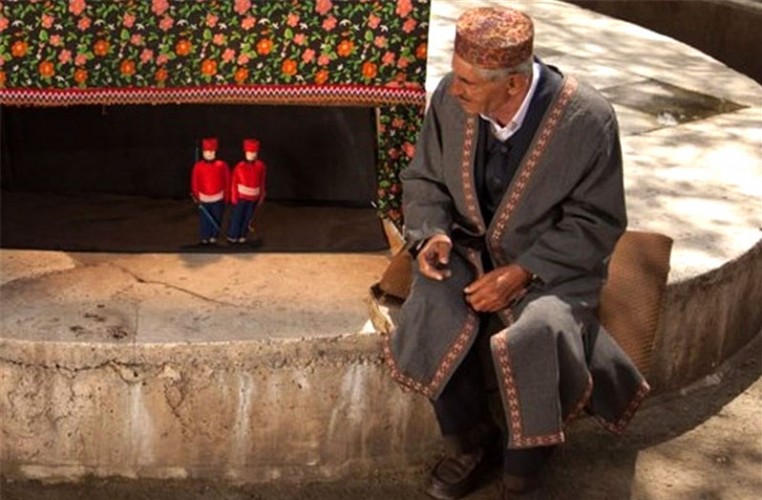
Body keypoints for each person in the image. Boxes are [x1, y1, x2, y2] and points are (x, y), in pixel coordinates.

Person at [383, 6, 650, 499]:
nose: (455, 89)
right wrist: (432, 234)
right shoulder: (449, 99)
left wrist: (524, 271)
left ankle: (523, 472)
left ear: (513, 84)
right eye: (455, 75)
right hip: (468, 250)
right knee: (436, 302)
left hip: (554, 266)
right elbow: (424, 179)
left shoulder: (588, 120)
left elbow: (598, 221)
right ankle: (470, 443)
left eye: (468, 81)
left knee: (538, 331)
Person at [227, 138, 266, 244]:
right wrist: (234, 197)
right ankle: (233, 235)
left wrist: (261, 194)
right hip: (241, 198)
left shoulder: (260, 166)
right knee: (237, 217)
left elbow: (262, 181)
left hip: (253, 198)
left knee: (248, 217)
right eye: (249, 152)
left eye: (254, 153)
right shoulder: (239, 167)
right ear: (245, 153)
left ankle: (242, 235)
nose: (252, 155)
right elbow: (234, 183)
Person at [190, 137, 229, 244]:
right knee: (204, 218)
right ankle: (205, 236)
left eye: (211, 151)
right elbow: (195, 182)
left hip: (218, 198)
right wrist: (196, 196)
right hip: (204, 198)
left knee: (217, 217)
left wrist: (227, 196)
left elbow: (226, 180)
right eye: (206, 152)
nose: (209, 154)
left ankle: (214, 236)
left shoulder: (222, 165)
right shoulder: (198, 166)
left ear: (215, 152)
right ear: (203, 153)